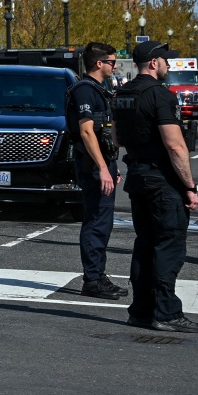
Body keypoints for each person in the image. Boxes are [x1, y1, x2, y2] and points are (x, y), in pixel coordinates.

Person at [112, 40, 198, 333]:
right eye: (165, 59)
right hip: (161, 179)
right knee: (168, 245)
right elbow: (176, 146)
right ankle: (166, 312)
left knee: (144, 244)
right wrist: (190, 186)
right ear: (153, 63)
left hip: (137, 174)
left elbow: (116, 138)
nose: (168, 64)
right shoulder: (160, 96)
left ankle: (141, 310)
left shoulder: (122, 94)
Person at [69, 42, 125, 301]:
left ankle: (97, 275)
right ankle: (92, 279)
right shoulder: (84, 91)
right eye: (112, 62)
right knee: (96, 221)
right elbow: (86, 131)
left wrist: (112, 164)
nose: (115, 66)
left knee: (103, 221)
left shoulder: (100, 90)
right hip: (93, 166)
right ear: (99, 63)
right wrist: (103, 168)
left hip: (103, 163)